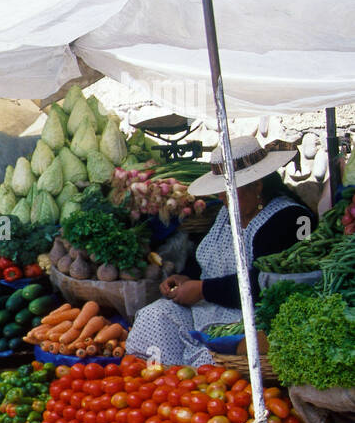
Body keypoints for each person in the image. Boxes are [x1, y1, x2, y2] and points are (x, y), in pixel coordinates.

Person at [127, 138, 314, 368]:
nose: (221, 198)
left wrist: (203, 290)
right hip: (209, 307)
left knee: (213, 357)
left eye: (228, 191)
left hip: (253, 315)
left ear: (257, 185)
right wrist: (187, 277)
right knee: (153, 316)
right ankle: (162, 383)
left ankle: (198, 391)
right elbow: (208, 257)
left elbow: (266, 284)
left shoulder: (290, 220)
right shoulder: (227, 213)